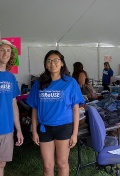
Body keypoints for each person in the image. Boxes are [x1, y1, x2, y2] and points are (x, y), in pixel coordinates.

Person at [26, 50, 84, 176]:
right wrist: (34, 131)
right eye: (49, 61)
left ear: (62, 63)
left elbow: (75, 109)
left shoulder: (70, 83)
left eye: (56, 60)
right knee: (47, 166)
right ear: (46, 65)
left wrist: (74, 134)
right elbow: (34, 108)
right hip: (44, 128)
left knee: (62, 164)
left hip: (64, 127)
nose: (53, 63)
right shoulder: (39, 83)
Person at [0, 40, 24, 176]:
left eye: (8, 50)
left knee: (2, 163)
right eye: (2, 50)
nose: (5, 53)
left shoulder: (11, 78)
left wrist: (19, 130)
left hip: (7, 127)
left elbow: (13, 103)